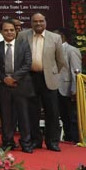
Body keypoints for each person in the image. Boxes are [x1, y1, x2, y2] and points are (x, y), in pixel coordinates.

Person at [16, 12, 65, 151]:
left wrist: (52, 72)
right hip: (29, 78)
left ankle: (52, 142)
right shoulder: (22, 36)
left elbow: (60, 61)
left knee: (52, 111)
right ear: (31, 23)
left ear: (45, 22)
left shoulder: (55, 38)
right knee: (32, 111)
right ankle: (35, 141)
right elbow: (18, 57)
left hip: (48, 78)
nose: (38, 24)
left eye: (41, 21)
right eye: (35, 21)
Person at [0, 20, 34, 152]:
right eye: (6, 30)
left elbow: (27, 64)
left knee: (24, 116)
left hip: (20, 85)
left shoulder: (24, 45)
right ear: (1, 32)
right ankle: (8, 142)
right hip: (3, 86)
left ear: (16, 31)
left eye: (11, 30)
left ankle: (26, 143)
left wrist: (14, 78)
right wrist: (4, 79)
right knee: (6, 116)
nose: (9, 32)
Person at [54, 28, 82, 143]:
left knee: (70, 116)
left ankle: (73, 138)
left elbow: (76, 72)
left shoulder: (71, 50)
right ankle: (64, 138)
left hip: (67, 88)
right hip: (54, 87)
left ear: (62, 37)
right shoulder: (52, 50)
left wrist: (75, 89)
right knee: (60, 115)